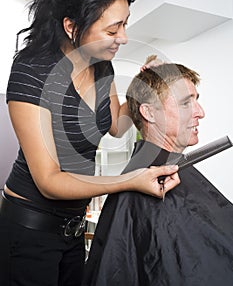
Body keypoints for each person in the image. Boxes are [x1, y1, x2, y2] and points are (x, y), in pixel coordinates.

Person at [0, 0, 180, 286]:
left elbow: (115, 124)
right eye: (112, 29)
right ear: (71, 26)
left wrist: (142, 88)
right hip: (27, 232)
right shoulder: (31, 72)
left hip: (74, 230)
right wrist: (131, 180)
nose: (123, 38)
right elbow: (50, 181)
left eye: (125, 24)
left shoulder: (102, 66)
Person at [83, 60, 233, 286]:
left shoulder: (171, 166)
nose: (200, 113)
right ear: (149, 113)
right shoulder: (146, 182)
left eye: (196, 101)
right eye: (185, 103)